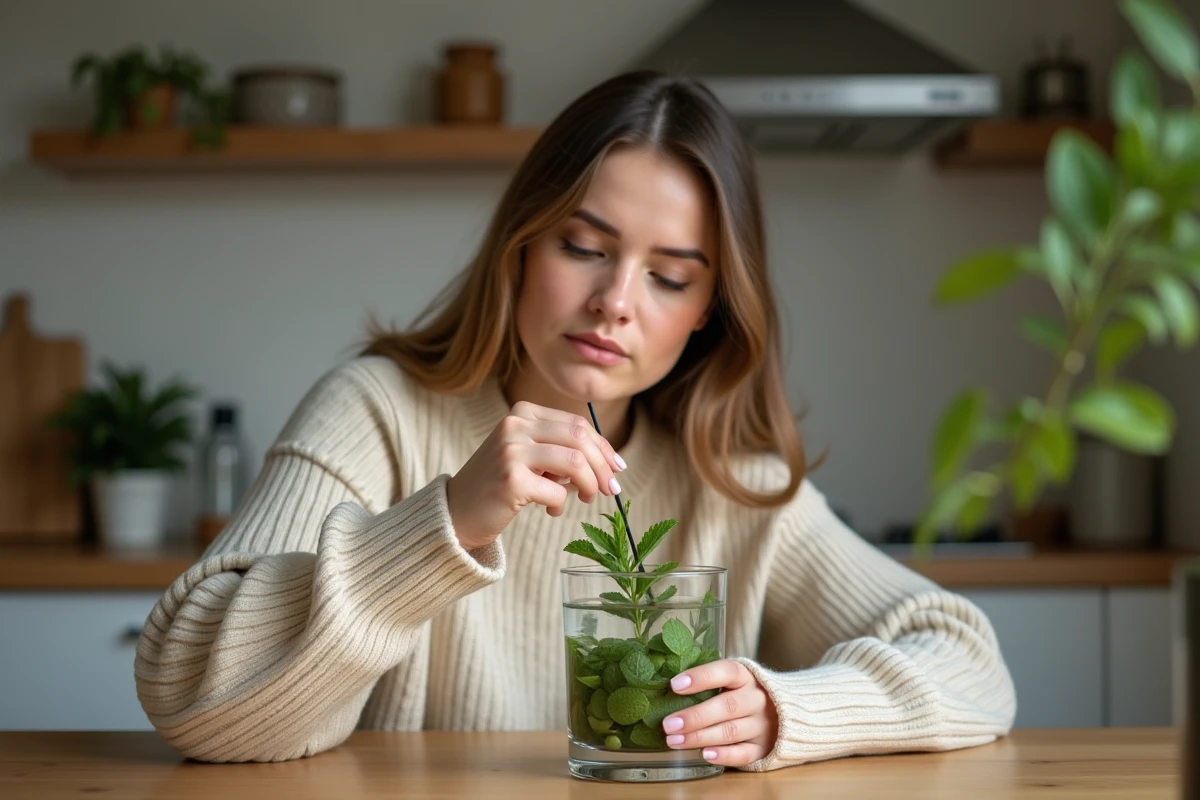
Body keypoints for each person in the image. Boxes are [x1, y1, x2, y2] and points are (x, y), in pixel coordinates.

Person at [134, 70, 1016, 768]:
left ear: (709, 307)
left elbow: (971, 663)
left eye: (669, 277)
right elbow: (190, 697)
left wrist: (789, 710)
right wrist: (444, 522)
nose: (615, 303)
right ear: (522, 242)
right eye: (585, 248)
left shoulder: (733, 485)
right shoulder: (376, 411)